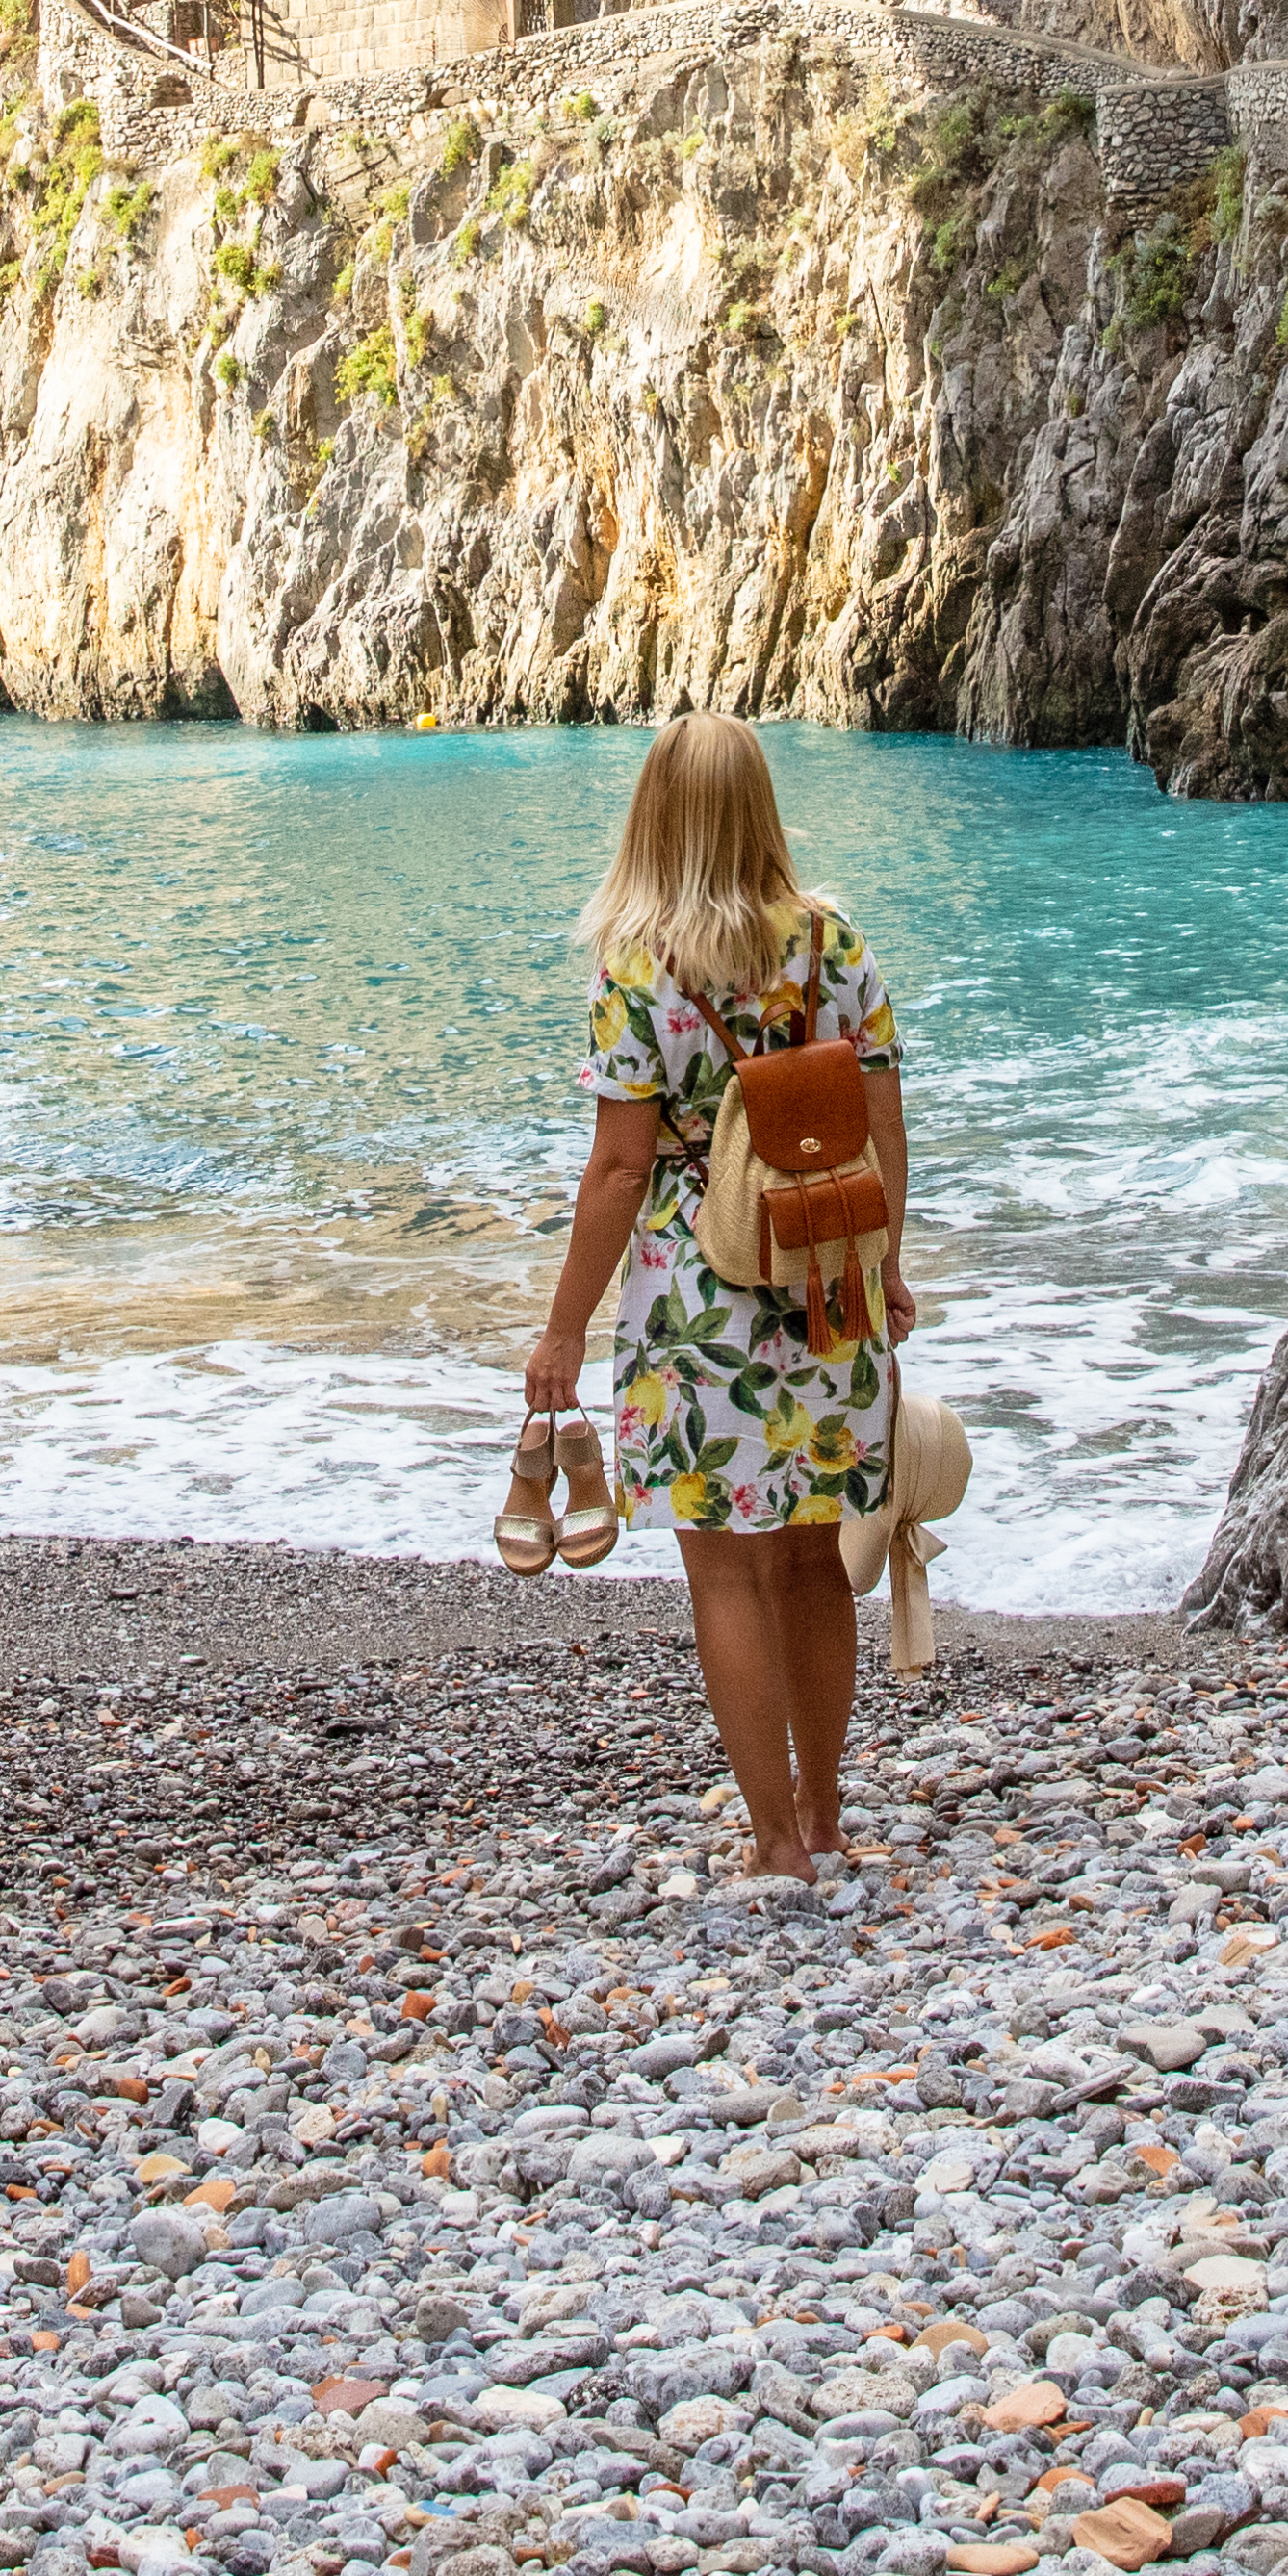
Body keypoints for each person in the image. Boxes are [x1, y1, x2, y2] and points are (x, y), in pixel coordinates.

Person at [515, 712, 908, 1900]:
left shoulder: (638, 966)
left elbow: (620, 1172)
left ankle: (774, 1842)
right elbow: (882, 1130)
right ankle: (826, 1815)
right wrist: (883, 1272)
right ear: (758, 808)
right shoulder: (835, 945)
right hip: (823, 1279)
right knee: (810, 1564)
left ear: (656, 816)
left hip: (700, 1300)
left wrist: (562, 1325)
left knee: (727, 1575)